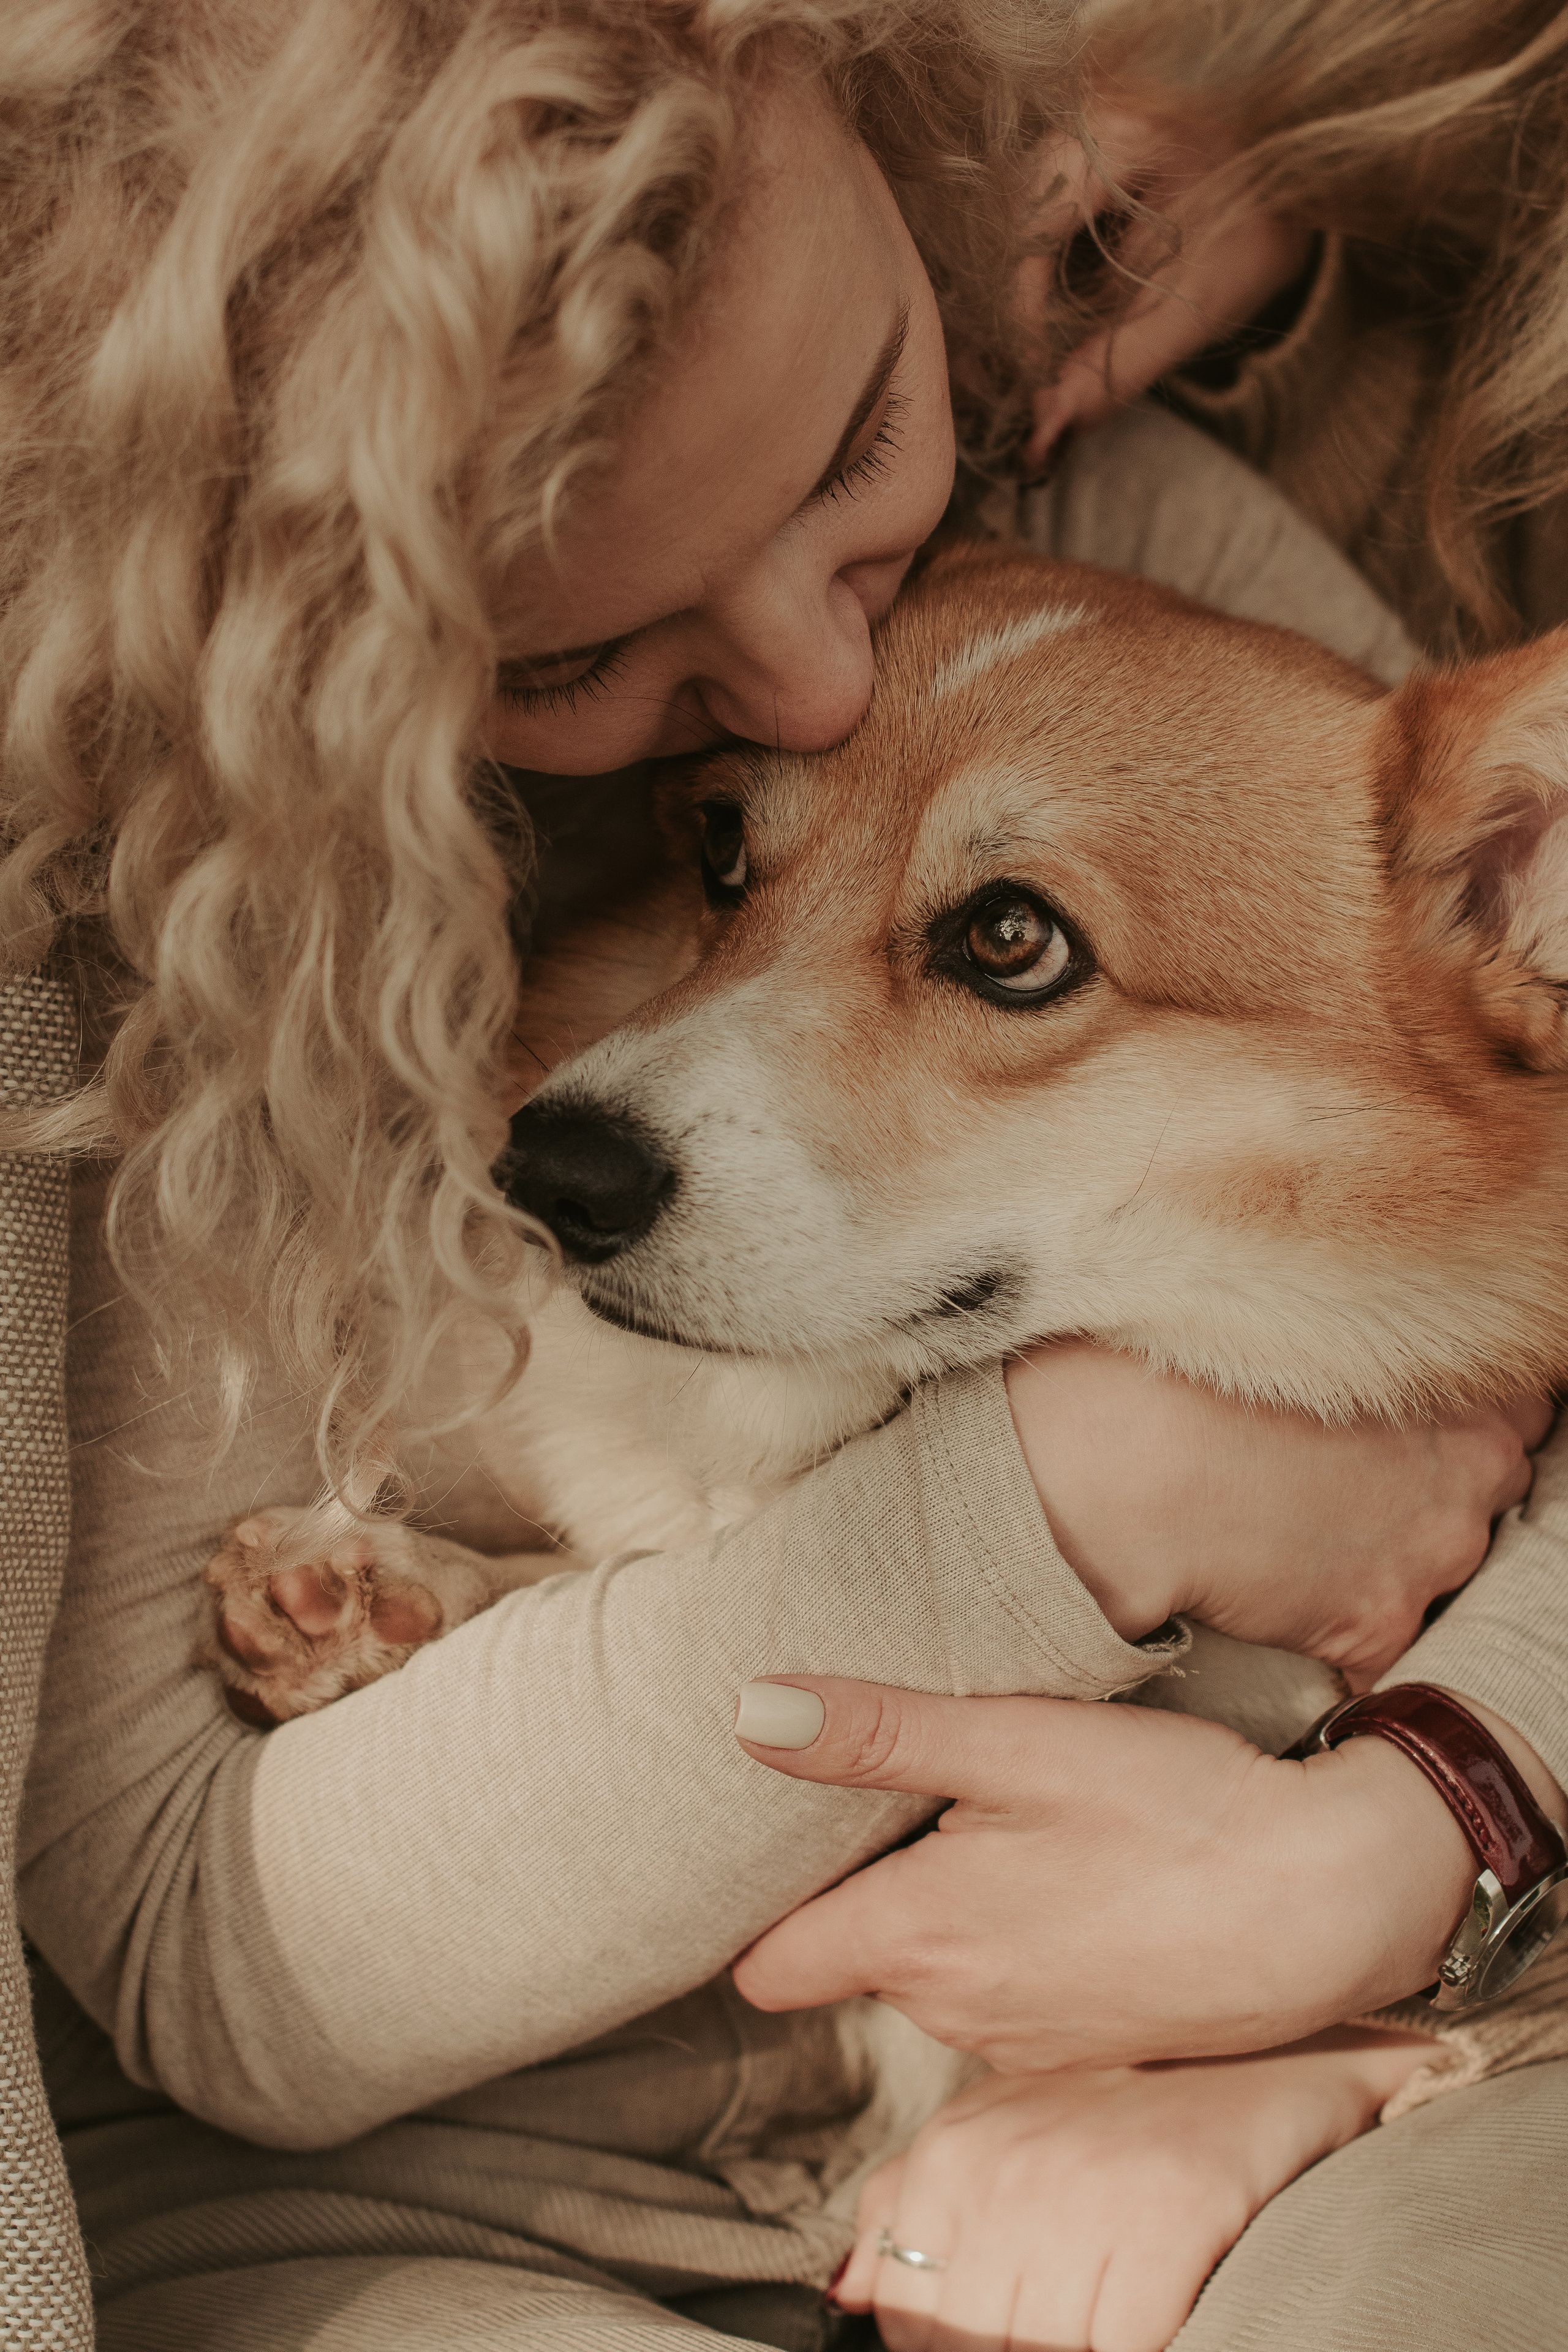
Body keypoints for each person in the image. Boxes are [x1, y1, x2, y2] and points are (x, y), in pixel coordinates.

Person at [4, 3, 1568, 2348]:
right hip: (467, 2230)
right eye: (605, 645)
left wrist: (1401, 1851)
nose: (820, 671)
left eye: (861, 460)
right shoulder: (132, 945)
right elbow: (216, 1952)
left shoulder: (1158, 592)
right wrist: (1078, 1495)